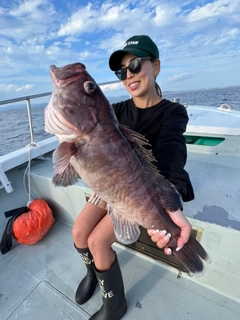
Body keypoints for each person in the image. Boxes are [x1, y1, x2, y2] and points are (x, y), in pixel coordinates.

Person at [72, 35, 194, 320]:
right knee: (78, 232)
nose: (129, 75)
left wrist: (170, 199)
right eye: (121, 71)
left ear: (156, 66)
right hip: (111, 185)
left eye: (136, 65)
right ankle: (94, 274)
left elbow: (171, 149)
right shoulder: (115, 111)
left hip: (141, 193)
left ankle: (114, 305)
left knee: (97, 242)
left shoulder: (173, 112)